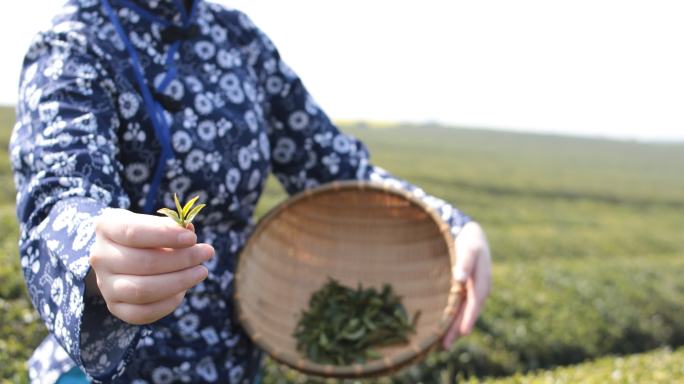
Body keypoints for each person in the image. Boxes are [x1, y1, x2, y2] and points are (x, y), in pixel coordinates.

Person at [10, 0, 492, 383]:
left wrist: (452, 224)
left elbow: (331, 164)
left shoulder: (235, 38)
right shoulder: (72, 43)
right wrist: (94, 252)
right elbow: (57, 198)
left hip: (232, 360)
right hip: (116, 368)